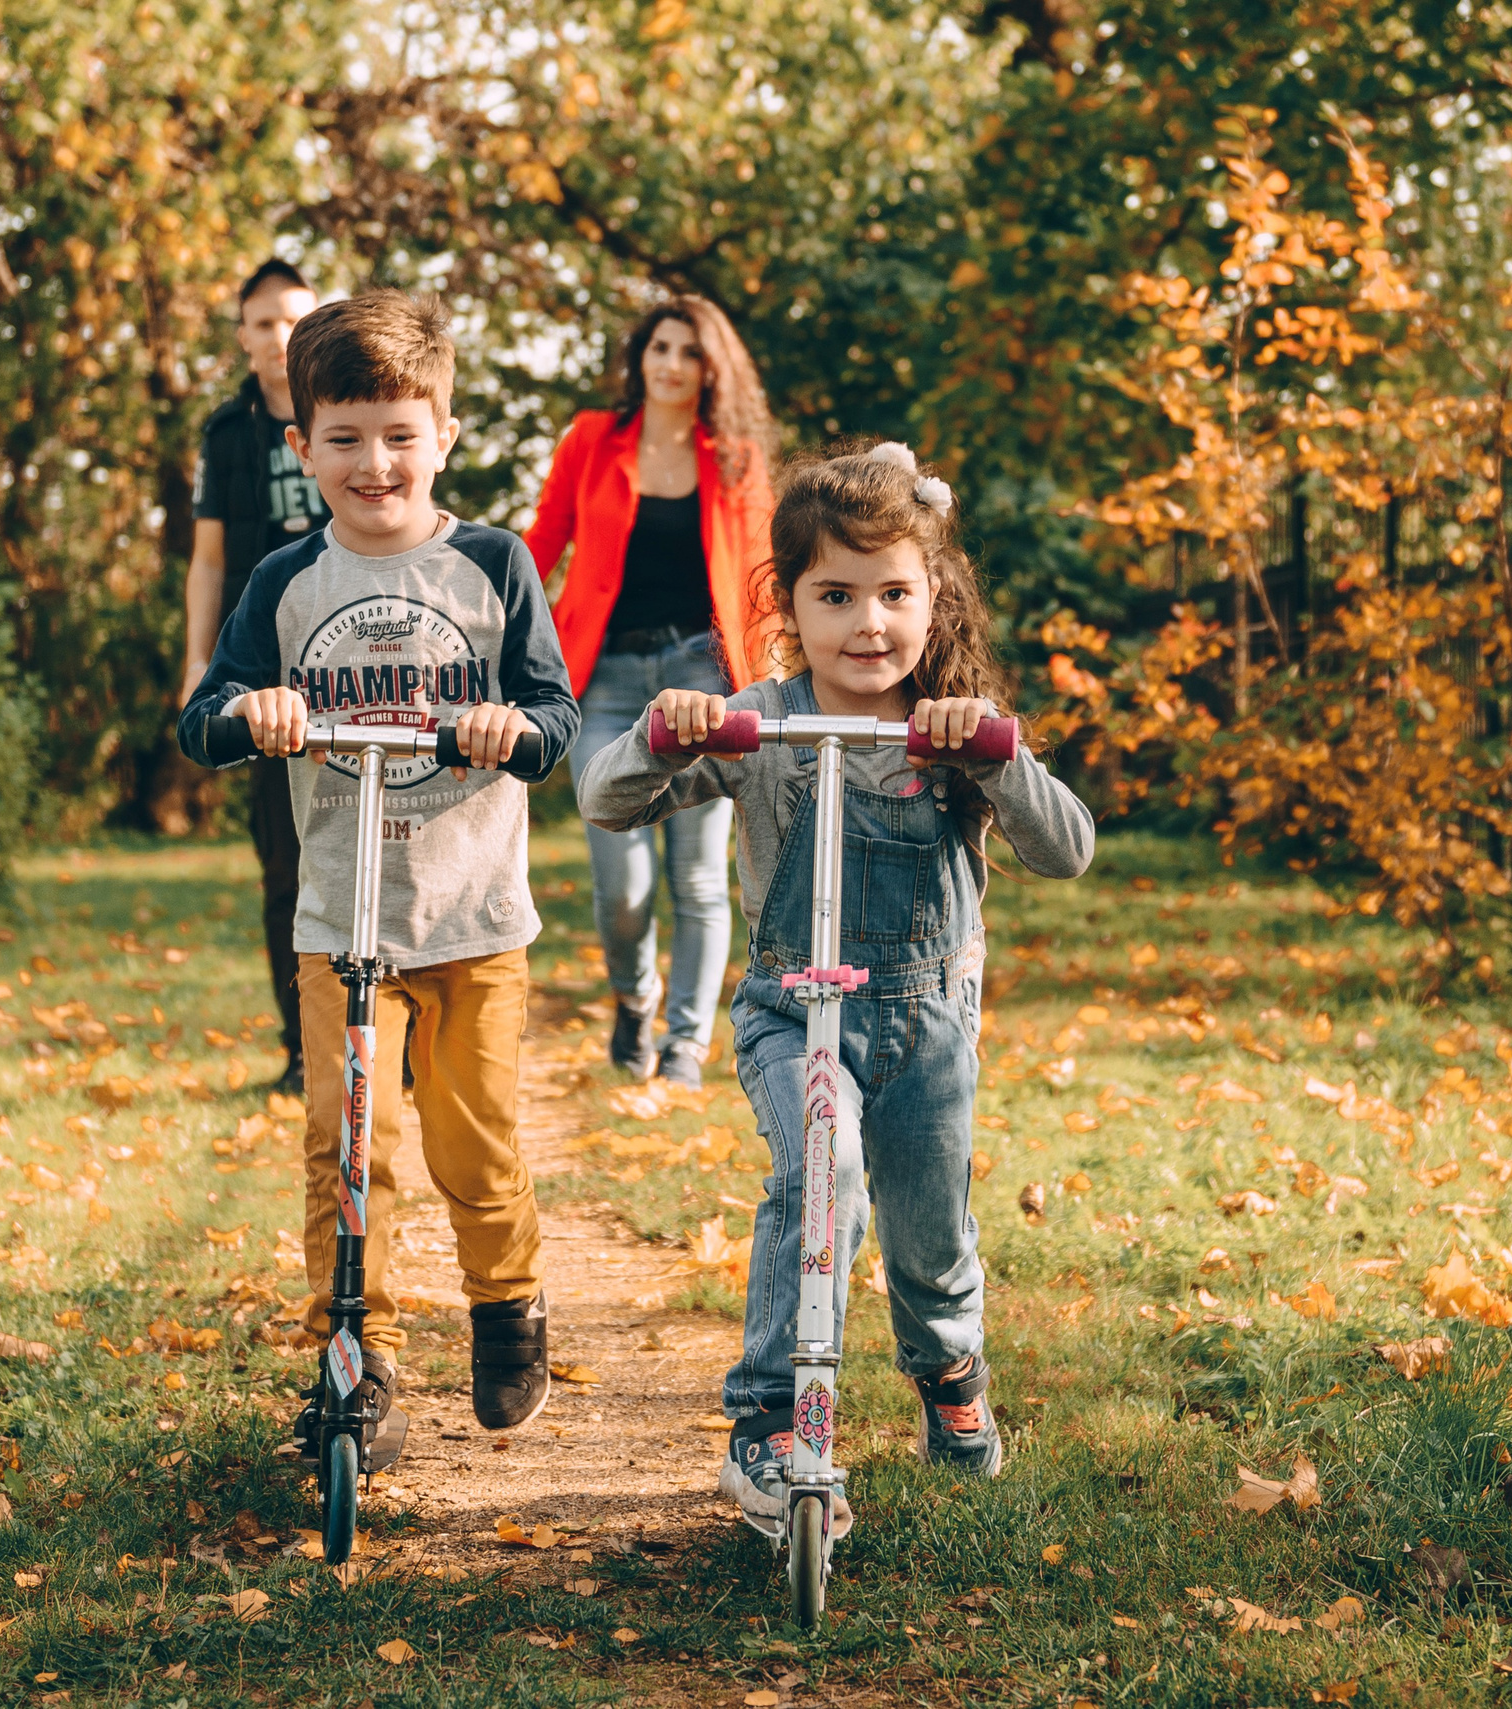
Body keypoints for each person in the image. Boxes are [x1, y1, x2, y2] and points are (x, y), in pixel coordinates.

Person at [576, 441, 1095, 1539]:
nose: (869, 622)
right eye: (837, 595)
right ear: (788, 603)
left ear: (931, 596)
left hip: (925, 1022)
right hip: (789, 1011)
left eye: (894, 593)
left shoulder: (953, 724)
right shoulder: (758, 720)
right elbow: (605, 797)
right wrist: (661, 737)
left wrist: (997, 757)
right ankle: (768, 1419)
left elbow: (1069, 849)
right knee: (820, 1173)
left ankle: (949, 1367)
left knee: (926, 1232)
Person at [178, 291, 582, 1465]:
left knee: (471, 1140)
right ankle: (352, 1354)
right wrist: (252, 712)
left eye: (402, 433)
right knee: (346, 1142)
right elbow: (204, 720)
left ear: (444, 435)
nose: (375, 461)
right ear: (300, 449)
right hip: (338, 918)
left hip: (471, 914)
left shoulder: (493, 567)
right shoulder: (284, 580)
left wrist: (513, 727)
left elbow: (555, 716)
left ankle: (506, 1302)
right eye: (345, 437)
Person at [526, 297, 776, 1087]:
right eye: (659, 347)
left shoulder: (735, 456)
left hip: (702, 675)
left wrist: (774, 680)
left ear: (712, 368)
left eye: (688, 351)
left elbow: (764, 582)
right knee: (622, 881)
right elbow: (540, 543)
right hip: (601, 679)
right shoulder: (593, 440)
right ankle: (636, 997)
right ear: (641, 356)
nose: (670, 363)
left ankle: (683, 1049)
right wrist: (485, 631)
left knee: (700, 876)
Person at [183, 259, 329, 1092]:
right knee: (286, 865)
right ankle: (302, 1048)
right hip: (262, 675)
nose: (281, 338)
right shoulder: (226, 434)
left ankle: (395, 1036)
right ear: (243, 336)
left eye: (296, 321)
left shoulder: (347, 418)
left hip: (353, 663)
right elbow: (207, 562)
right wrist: (198, 665)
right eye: (265, 323)